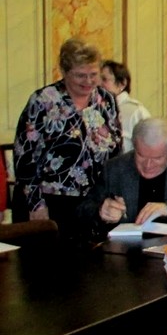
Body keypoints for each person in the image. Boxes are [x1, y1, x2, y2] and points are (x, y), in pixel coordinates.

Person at [13, 37, 122, 239]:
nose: (88, 81)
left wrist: (115, 196)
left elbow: (116, 151)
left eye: (93, 74)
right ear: (64, 71)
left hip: (95, 202)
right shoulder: (44, 101)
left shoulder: (106, 100)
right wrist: (35, 203)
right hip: (51, 202)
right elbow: (24, 157)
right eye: (80, 75)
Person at [77, 117, 167, 232]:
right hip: (126, 252)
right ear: (134, 146)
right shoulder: (115, 168)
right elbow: (83, 209)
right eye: (141, 156)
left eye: (157, 158)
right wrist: (101, 211)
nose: (148, 165)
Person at [100, 60, 151, 153]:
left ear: (122, 83)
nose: (99, 84)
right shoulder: (95, 109)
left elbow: (150, 146)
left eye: (104, 79)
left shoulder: (135, 111)